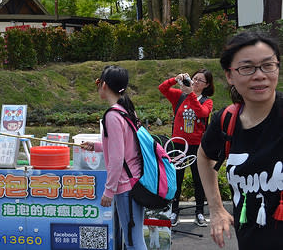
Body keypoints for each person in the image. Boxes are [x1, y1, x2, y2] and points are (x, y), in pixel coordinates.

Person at [198, 31, 283, 250]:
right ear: (229, 75)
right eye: (247, 68)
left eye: (268, 65)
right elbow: (204, 156)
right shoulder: (226, 121)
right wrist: (216, 209)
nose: (259, 75)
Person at [81, 65, 146, 249]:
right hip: (136, 181)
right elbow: (127, 148)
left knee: (133, 241)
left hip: (125, 187)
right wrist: (97, 147)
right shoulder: (126, 109)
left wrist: (109, 191)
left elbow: (117, 158)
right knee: (135, 237)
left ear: (104, 85)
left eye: (98, 82)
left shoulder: (112, 115)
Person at [158, 69, 214, 227]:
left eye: (200, 81)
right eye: (194, 78)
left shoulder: (206, 101)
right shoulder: (179, 96)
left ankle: (199, 213)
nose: (195, 82)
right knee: (176, 178)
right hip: (178, 144)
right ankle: (174, 211)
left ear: (207, 85)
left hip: (197, 146)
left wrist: (191, 94)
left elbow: (201, 113)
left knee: (199, 179)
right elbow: (162, 88)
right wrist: (175, 80)